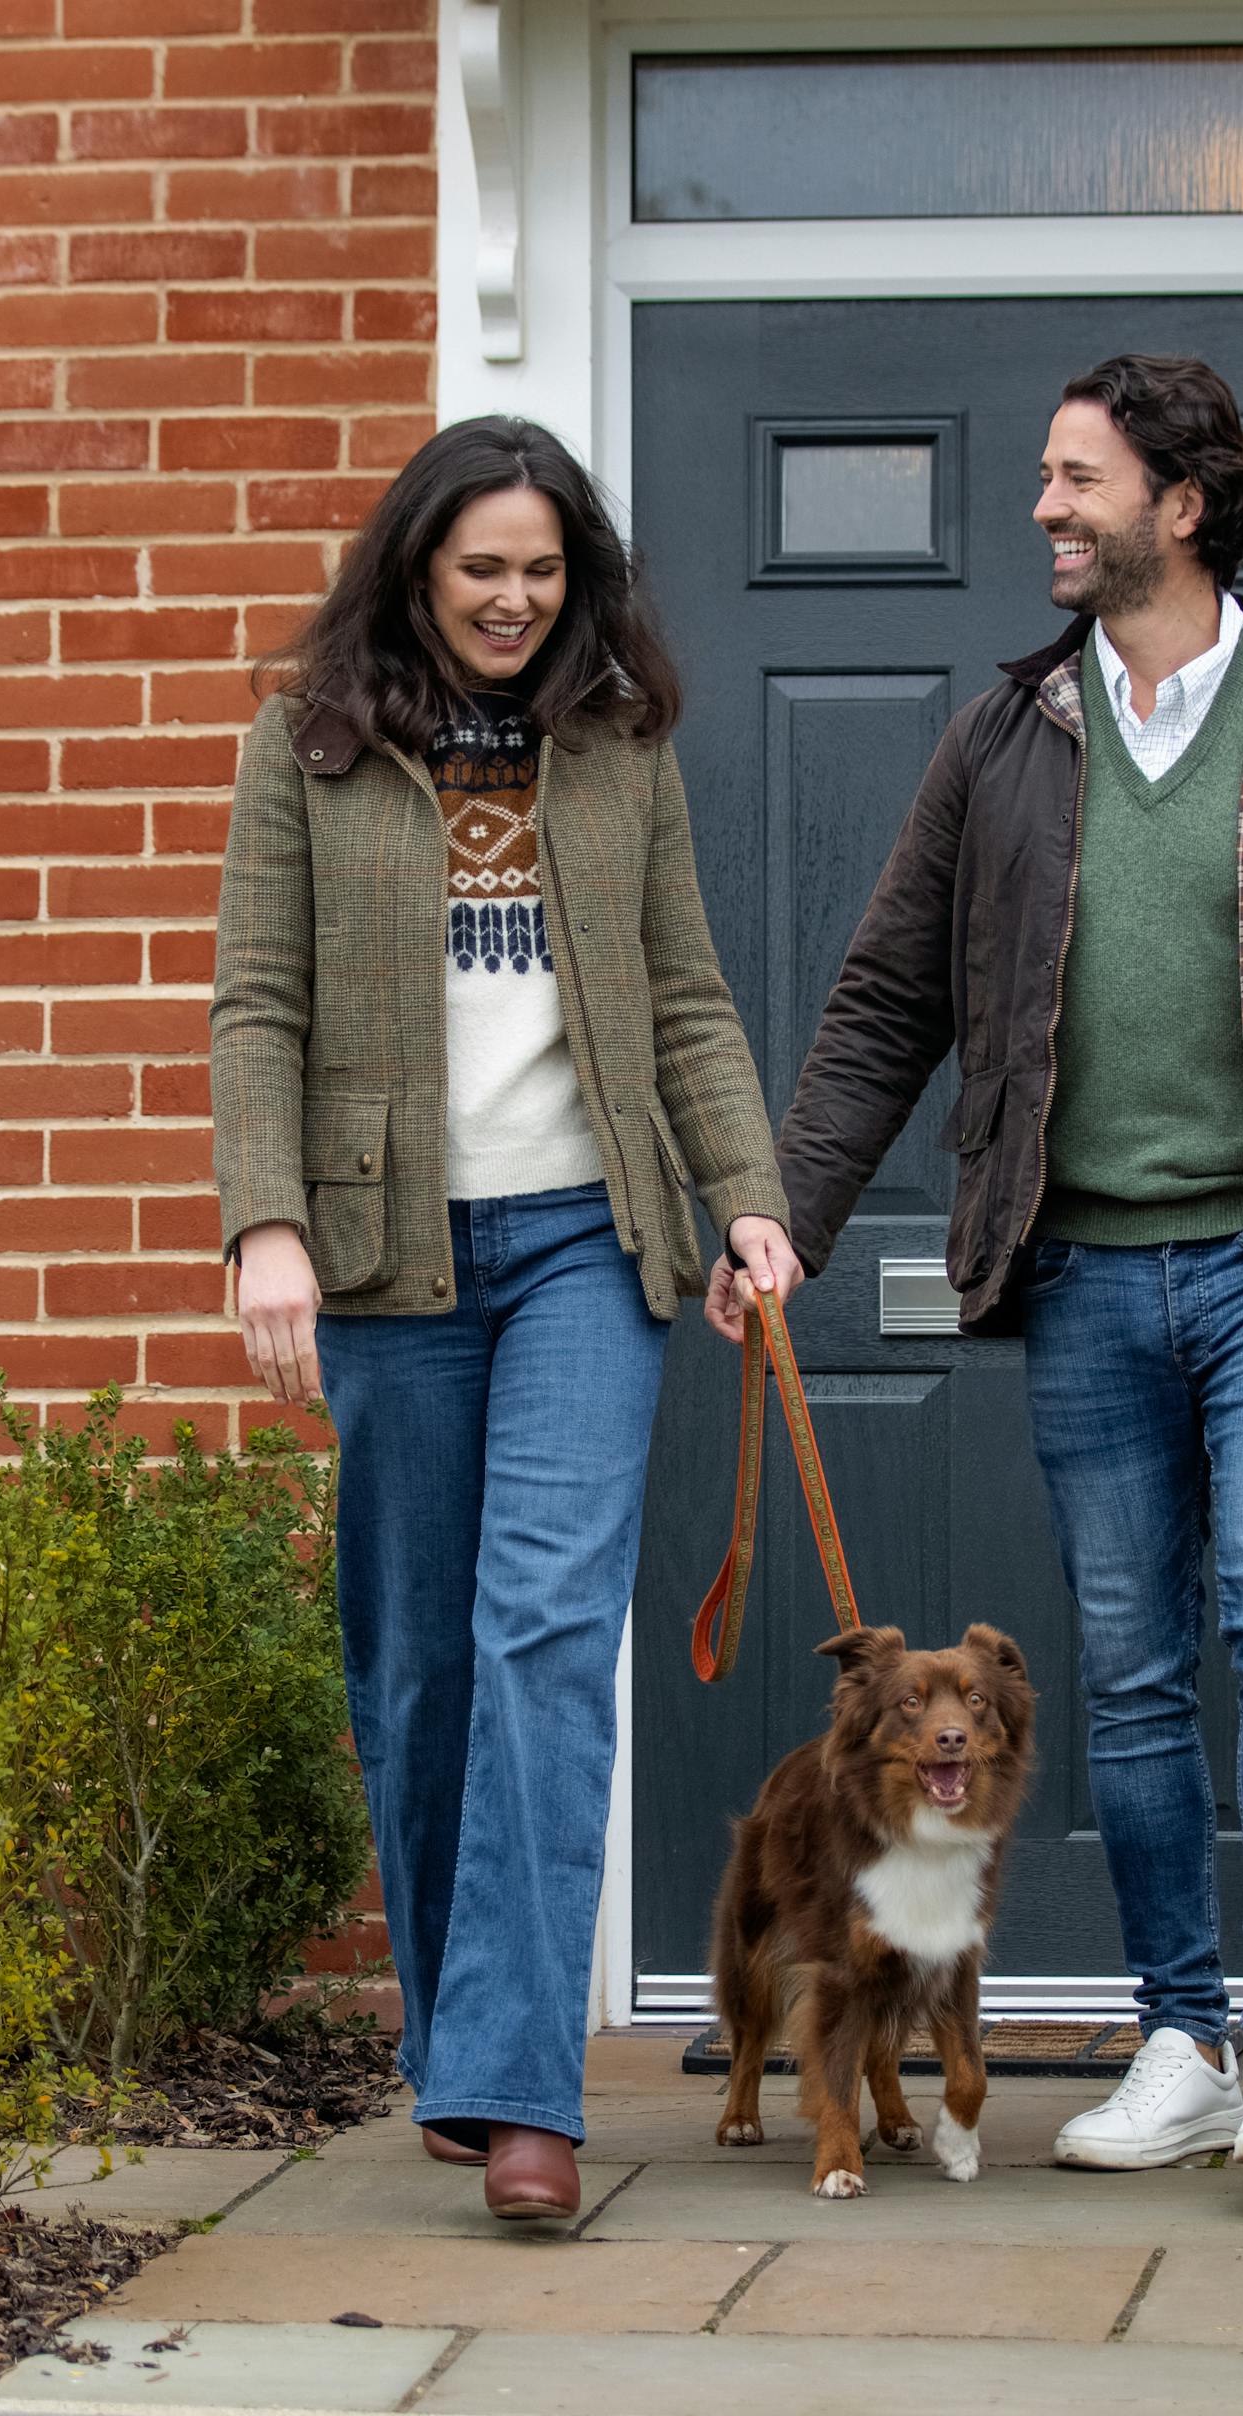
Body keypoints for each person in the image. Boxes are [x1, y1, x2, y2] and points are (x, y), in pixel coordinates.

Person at [773, 355, 1243, 2172]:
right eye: (1041, 475)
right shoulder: (1009, 737)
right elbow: (888, 996)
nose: (1045, 505)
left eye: (1077, 478)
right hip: (1090, 1275)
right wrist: (788, 1206)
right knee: (1129, 1662)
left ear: (1180, 507)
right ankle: (1179, 2035)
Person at [212, 415, 802, 2224]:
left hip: (582, 1248)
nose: (516, 602)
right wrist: (268, 1227)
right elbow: (258, 1006)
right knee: (419, 1668)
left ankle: (520, 2084)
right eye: (484, 571)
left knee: (546, 1629)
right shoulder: (307, 742)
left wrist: (750, 1197)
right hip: (393, 1258)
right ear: (417, 566)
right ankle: (460, 2040)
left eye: (545, 574)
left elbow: (688, 996)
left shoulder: (619, 749)